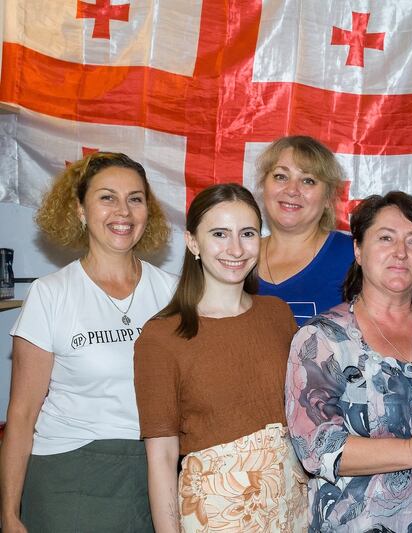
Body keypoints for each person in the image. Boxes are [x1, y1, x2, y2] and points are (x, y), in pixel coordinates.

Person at [0, 152, 175, 532]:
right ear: (80, 210)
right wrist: (9, 514)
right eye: (107, 197)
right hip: (69, 476)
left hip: (155, 474)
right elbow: (21, 415)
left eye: (136, 198)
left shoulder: (172, 292)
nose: (123, 211)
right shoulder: (51, 294)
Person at [285, 191, 412, 531]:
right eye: (385, 238)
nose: (400, 252)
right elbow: (317, 449)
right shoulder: (323, 339)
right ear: (358, 250)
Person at [134, 184, 307, 532]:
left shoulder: (277, 314)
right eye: (219, 234)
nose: (236, 249)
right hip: (217, 516)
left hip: (292, 508)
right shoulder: (162, 336)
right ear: (193, 242)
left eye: (247, 234)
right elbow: (162, 457)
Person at [256, 136, 354, 325]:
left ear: (328, 198)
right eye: (280, 176)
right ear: (264, 186)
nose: (292, 189)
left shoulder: (354, 257)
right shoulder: (238, 256)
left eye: (308, 180)